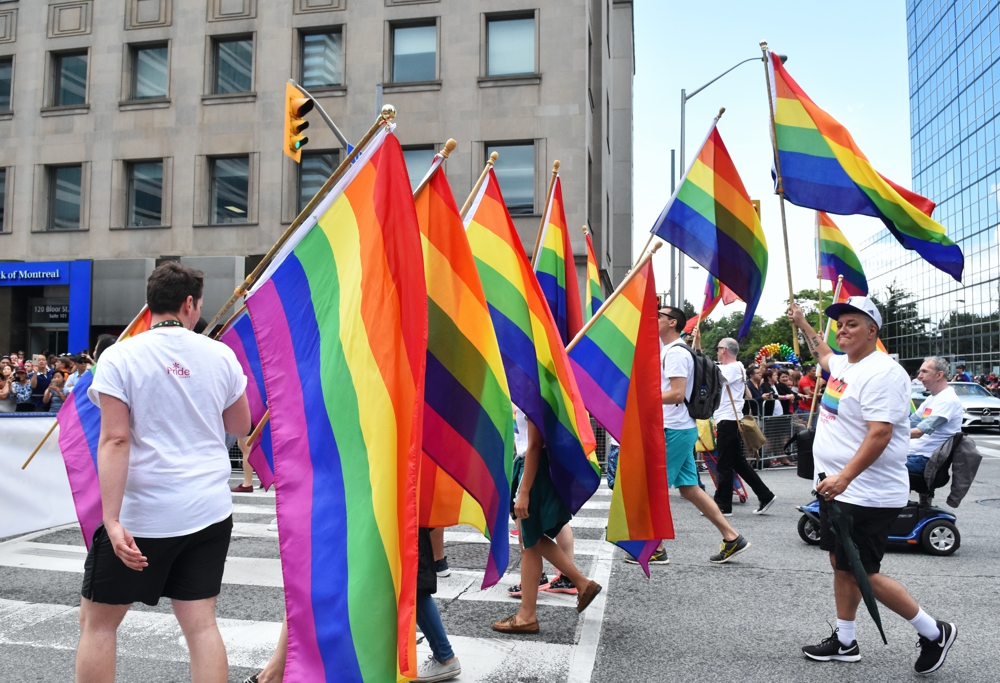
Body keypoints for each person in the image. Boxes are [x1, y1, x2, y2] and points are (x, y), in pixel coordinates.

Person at [76, 262, 251, 683]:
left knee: (99, 624)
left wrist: (111, 519)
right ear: (189, 303)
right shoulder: (220, 354)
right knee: (201, 625)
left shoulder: (120, 355)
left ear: (150, 303)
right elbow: (241, 426)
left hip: (143, 513)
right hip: (207, 509)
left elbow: (116, 440)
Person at [789, 296, 956, 675]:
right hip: (840, 490)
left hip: (866, 492)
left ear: (872, 330)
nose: (843, 329)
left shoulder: (883, 372)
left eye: (852, 323)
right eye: (840, 324)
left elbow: (880, 434)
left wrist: (844, 477)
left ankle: (934, 632)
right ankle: (845, 641)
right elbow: (824, 356)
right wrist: (802, 324)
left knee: (863, 570)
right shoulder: (846, 364)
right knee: (841, 563)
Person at [634, 306, 751, 565]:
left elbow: (677, 394)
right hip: (680, 427)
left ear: (672, 322)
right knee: (690, 489)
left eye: (659, 316)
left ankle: (656, 548)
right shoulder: (669, 349)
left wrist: (641, 399)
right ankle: (732, 537)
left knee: (654, 489)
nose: (654, 319)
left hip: (674, 429)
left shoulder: (675, 353)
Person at [493, 415, 602, 633]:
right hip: (532, 468)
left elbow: (535, 444)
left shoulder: (536, 387)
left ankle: (581, 583)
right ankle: (527, 614)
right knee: (529, 543)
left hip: (534, 471)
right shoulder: (534, 387)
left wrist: (524, 492)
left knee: (531, 537)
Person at [713, 338, 776, 516]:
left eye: (718, 349)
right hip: (728, 419)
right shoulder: (732, 367)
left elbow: (715, 378)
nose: (717, 352)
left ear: (724, 349)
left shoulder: (732, 367)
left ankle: (723, 505)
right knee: (737, 463)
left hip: (729, 420)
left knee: (725, 464)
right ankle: (765, 495)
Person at [906, 357, 963, 477]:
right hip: (912, 454)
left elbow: (918, 432)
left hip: (923, 459)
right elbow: (910, 422)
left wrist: (887, 433)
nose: (919, 377)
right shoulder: (932, 398)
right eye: (920, 372)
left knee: (871, 465)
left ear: (939, 375)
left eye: (924, 372)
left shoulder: (948, 400)